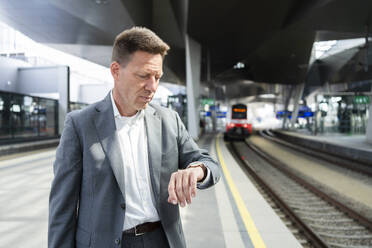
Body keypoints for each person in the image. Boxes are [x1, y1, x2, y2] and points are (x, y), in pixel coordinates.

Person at [48, 27, 221, 248]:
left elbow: (210, 164)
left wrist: (197, 171)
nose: (152, 86)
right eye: (143, 76)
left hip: (162, 240)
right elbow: (62, 209)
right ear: (115, 71)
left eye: (157, 77)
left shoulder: (169, 120)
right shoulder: (80, 125)